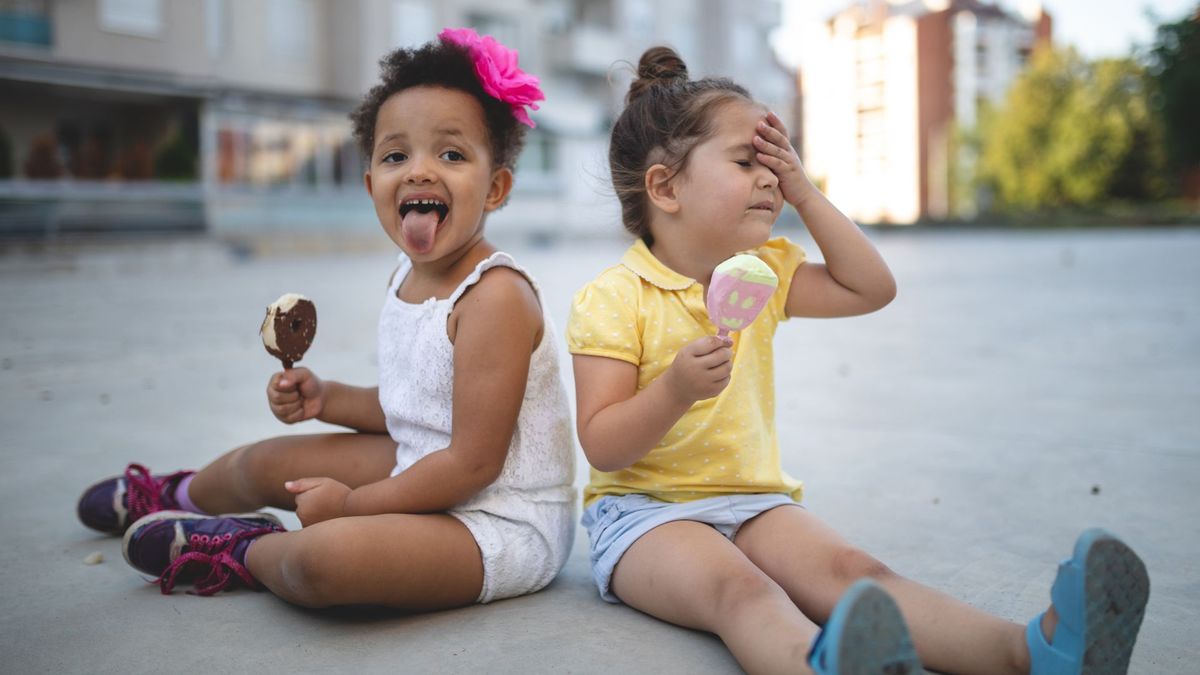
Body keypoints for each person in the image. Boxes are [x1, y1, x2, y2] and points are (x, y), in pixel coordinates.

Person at [566, 46, 1149, 675]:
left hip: (754, 501)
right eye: (746, 161)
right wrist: (675, 389)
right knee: (742, 592)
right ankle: (818, 666)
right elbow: (603, 445)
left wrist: (807, 194)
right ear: (664, 187)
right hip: (646, 515)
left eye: (775, 164)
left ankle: (1037, 652)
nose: (769, 178)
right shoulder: (615, 298)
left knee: (857, 573)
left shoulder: (763, 276)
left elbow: (871, 288)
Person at [76, 28, 576, 610]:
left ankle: (243, 550)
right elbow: (411, 406)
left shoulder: (496, 298)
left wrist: (350, 507)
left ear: (496, 188)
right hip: (420, 466)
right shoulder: (406, 276)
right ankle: (179, 495)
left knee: (328, 561)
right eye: (396, 155)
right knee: (267, 462)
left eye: (451, 153)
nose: (418, 171)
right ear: (371, 186)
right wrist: (326, 398)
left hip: (498, 518)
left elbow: (473, 462)